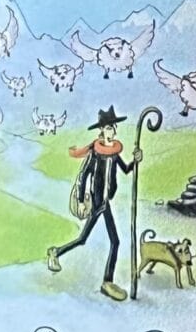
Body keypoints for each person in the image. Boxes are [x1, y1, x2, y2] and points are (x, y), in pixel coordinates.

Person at [48, 105, 143, 301]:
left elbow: (126, 169)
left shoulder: (114, 153)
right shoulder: (95, 153)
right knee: (89, 239)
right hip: (98, 202)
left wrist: (136, 161)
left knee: (111, 241)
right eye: (108, 128)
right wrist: (81, 201)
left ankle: (106, 281)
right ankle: (57, 253)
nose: (112, 131)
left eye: (113, 127)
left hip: (105, 202)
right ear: (101, 130)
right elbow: (84, 176)